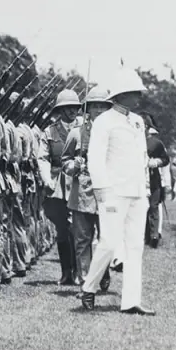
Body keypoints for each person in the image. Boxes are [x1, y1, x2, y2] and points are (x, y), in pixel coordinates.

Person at [80, 68, 155, 315]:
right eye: (134, 92)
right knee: (109, 242)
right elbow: (95, 158)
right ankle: (89, 287)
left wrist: (145, 188)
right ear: (121, 95)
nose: (139, 97)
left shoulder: (138, 121)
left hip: (137, 192)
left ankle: (131, 300)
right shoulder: (104, 121)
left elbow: (143, 158)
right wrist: (101, 189)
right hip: (113, 191)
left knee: (135, 246)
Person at [62, 85, 113, 289]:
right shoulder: (77, 134)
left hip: (107, 192)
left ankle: (104, 271)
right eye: (95, 106)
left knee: (107, 238)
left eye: (103, 106)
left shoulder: (114, 134)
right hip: (83, 193)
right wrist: (74, 165)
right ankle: (85, 281)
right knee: (82, 239)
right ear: (87, 109)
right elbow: (65, 161)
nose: (99, 110)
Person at [39, 88, 81, 285]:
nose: (72, 111)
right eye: (68, 107)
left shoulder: (84, 128)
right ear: (60, 110)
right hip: (58, 184)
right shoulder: (50, 132)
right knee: (62, 229)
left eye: (75, 107)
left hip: (79, 182)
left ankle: (80, 271)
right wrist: (46, 179)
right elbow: (43, 158)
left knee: (78, 228)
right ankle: (66, 272)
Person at [142, 114, 170, 248]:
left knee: (153, 206)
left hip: (153, 179)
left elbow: (165, 159)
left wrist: (157, 162)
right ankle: (145, 235)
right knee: (142, 208)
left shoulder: (156, 143)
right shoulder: (132, 142)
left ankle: (154, 235)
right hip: (138, 179)